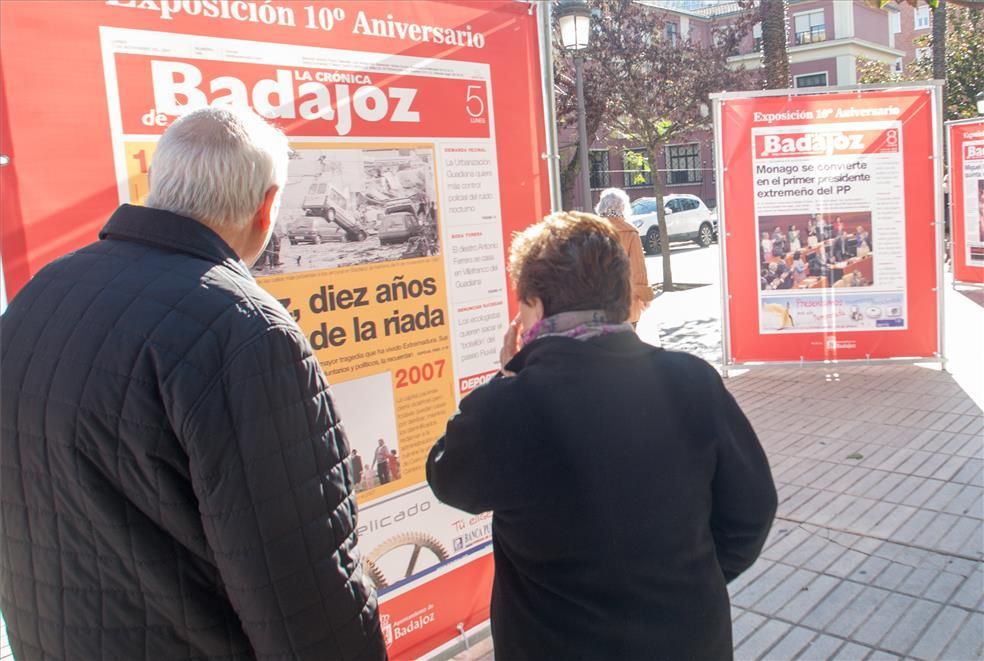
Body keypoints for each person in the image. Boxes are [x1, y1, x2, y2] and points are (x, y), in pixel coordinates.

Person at [0, 107, 385, 660]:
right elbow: (304, 592)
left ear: (159, 184)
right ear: (268, 205)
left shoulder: (42, 294)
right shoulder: (246, 331)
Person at [426, 211, 776, 660]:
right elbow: (752, 509)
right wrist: (697, 580)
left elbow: (447, 476)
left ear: (533, 306)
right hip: (686, 641)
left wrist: (508, 372)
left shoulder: (506, 407)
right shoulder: (693, 381)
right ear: (618, 294)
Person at [595, 188, 654, 326]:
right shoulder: (630, 233)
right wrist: (644, 296)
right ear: (623, 208)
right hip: (626, 304)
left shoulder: (593, 231)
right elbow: (638, 269)